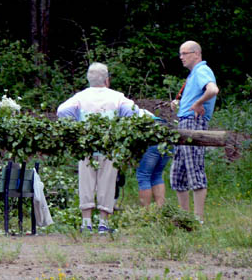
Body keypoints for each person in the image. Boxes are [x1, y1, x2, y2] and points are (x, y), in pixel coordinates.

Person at [56, 62, 135, 234]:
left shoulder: (80, 97)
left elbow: (62, 111)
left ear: (89, 79)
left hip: (86, 146)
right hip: (109, 146)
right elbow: (132, 112)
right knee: (107, 183)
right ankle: (103, 223)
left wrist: (76, 126)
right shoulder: (117, 97)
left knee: (86, 182)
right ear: (107, 79)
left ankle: (86, 223)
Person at [170, 40, 219, 223]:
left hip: (193, 124)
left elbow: (213, 90)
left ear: (196, 54)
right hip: (184, 123)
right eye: (180, 54)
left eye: (185, 53)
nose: (181, 57)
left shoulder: (202, 71)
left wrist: (197, 104)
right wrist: (181, 105)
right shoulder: (193, 75)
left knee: (194, 170)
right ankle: (185, 217)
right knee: (178, 173)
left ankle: (198, 219)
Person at [134, 107, 173, 208]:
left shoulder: (125, 112)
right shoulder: (144, 112)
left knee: (143, 176)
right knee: (157, 175)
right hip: (167, 136)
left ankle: (146, 213)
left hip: (153, 138)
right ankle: (159, 211)